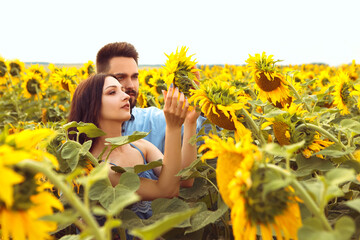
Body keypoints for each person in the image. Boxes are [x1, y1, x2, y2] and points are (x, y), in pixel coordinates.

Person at [68, 73, 199, 220]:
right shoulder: (97, 168)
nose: (126, 96)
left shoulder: (141, 146)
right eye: (112, 92)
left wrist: (190, 122)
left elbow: (185, 179)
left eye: (122, 90)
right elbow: (168, 190)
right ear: (92, 106)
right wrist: (173, 127)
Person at [96, 42, 209, 154]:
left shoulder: (154, 120)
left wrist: (200, 103)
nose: (131, 85)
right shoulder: (83, 132)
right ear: (98, 82)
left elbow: (203, 139)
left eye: (135, 77)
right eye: (120, 77)